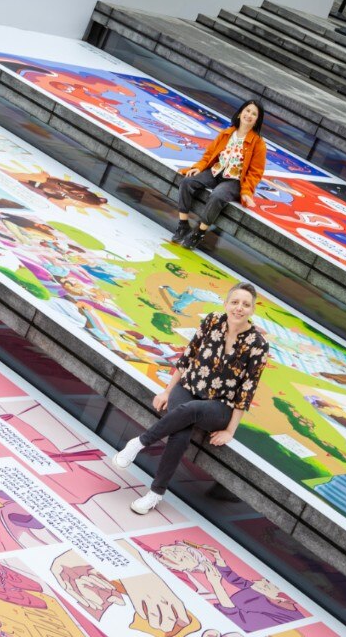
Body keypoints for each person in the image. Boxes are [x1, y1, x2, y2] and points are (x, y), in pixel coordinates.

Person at [114, 282, 269, 514]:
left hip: (219, 406)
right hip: (187, 387)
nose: (239, 308)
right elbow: (188, 356)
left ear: (252, 310)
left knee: (191, 410)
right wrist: (167, 391)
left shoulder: (258, 345)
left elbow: (248, 389)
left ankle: (139, 443)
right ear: (226, 304)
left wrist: (230, 431)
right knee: (180, 433)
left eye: (246, 305)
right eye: (235, 302)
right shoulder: (212, 321)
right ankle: (155, 494)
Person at [172, 100, 267, 250]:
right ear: (241, 112)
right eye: (247, 111)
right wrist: (199, 167)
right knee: (187, 181)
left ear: (257, 120)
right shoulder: (226, 133)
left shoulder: (258, 144)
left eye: (254, 114)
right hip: (216, 171)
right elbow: (209, 154)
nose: (249, 115)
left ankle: (199, 233)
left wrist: (247, 191)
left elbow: (256, 172)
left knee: (217, 195)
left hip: (234, 180)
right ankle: (183, 225)